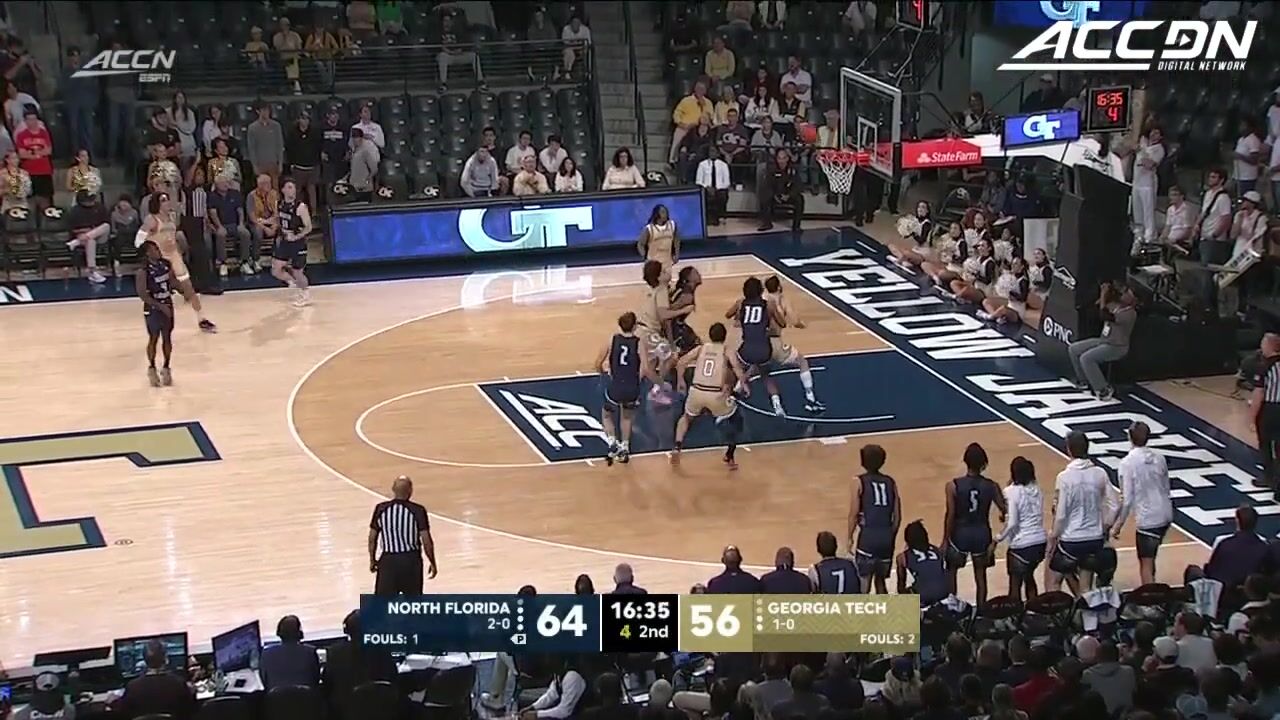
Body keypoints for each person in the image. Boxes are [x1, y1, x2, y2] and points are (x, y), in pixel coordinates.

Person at [136, 192, 217, 333]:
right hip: (161, 259)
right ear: (157, 203)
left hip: (174, 256)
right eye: (163, 200)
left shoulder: (172, 217)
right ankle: (158, 322)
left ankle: (202, 319)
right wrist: (150, 250)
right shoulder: (151, 219)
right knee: (163, 292)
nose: (167, 202)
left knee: (189, 288)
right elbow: (138, 241)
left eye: (167, 199)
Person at [672, 322, 747, 469]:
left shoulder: (701, 348)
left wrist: (681, 381)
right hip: (715, 394)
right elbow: (737, 368)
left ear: (710, 336)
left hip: (696, 390)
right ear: (724, 337)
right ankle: (729, 456)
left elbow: (681, 362)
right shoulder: (726, 350)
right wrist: (744, 384)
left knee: (686, 418)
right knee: (736, 419)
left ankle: (677, 446)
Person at [1047, 432, 1110, 596]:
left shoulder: (1064, 477)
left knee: (1053, 581)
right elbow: (1115, 505)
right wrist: (1105, 527)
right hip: (1094, 539)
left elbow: (1061, 514)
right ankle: (1087, 611)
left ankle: (1057, 610)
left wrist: (1053, 536)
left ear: (1069, 449)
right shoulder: (1100, 473)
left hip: (1071, 541)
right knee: (1086, 587)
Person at [944, 443, 1006, 607]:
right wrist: (1002, 516)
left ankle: (952, 608)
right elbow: (1005, 509)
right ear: (984, 463)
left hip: (960, 534)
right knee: (980, 576)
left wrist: (945, 540)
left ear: (965, 461)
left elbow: (950, 515)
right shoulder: (992, 486)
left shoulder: (953, 485)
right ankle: (981, 610)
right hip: (982, 533)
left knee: (952, 571)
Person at [1111, 421, 1172, 585]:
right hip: (1166, 514)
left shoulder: (1127, 463)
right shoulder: (1160, 458)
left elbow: (1127, 499)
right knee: (1150, 557)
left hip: (1148, 519)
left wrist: (1117, 526)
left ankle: (1151, 597)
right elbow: (1166, 487)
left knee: (1145, 564)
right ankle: (1153, 587)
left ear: (1129, 437)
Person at [595, 311, 653, 465]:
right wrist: (636, 380)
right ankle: (625, 447)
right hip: (631, 387)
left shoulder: (612, 340)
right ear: (634, 326)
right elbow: (645, 368)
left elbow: (598, 362)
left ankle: (612, 442)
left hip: (615, 386)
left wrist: (603, 373)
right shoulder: (639, 343)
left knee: (606, 414)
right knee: (626, 417)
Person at [725, 276, 787, 415]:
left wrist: (739, 314)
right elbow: (783, 323)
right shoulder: (769, 305)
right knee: (766, 376)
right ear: (761, 291)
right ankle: (777, 405)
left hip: (747, 349)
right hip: (764, 349)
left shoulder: (741, 303)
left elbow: (728, 314)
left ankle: (729, 399)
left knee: (733, 368)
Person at [321, 609, 398, 720]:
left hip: (345, 713)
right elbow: (393, 678)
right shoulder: (382, 649)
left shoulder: (335, 652)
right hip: (379, 711)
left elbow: (327, 683)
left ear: (347, 630)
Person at [762, 275, 824, 412]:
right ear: (779, 287)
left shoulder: (761, 299)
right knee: (802, 361)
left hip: (760, 343)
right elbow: (795, 321)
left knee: (763, 373)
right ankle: (810, 399)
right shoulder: (782, 300)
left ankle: (776, 403)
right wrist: (803, 324)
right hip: (776, 343)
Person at [1067, 282, 1136, 400]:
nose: (1123, 295)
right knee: (1073, 349)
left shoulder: (1130, 314)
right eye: (1124, 292)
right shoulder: (1115, 305)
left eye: (1127, 293)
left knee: (1086, 358)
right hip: (1103, 340)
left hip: (1116, 346)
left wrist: (1104, 295)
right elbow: (1097, 308)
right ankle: (1084, 381)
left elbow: (1105, 316)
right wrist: (1102, 296)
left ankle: (1103, 389)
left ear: (1133, 299)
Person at [369, 475, 437, 594]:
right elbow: (427, 541)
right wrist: (432, 562)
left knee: (383, 603)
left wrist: (372, 560)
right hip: (411, 561)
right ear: (410, 490)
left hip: (388, 561)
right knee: (412, 603)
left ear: (393, 489)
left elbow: (372, 538)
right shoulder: (418, 510)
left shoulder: (381, 509)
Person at [992, 456, 1046, 603]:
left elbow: (1012, 523)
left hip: (1021, 546)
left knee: (1015, 588)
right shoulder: (1037, 490)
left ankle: (1014, 614)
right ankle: (1035, 611)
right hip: (1040, 544)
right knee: (1029, 577)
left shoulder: (1010, 491)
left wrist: (997, 538)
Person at [847, 443, 900, 593]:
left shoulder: (858, 481)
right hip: (886, 537)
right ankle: (885, 609)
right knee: (881, 582)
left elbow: (853, 514)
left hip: (868, 538)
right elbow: (897, 516)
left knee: (864, 582)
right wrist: (890, 534)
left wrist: (849, 537)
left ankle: (864, 609)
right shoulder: (891, 482)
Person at [636, 260, 691, 381]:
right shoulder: (662, 290)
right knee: (671, 357)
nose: (667, 272)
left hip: (641, 330)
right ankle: (658, 387)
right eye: (664, 271)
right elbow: (664, 316)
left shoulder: (654, 289)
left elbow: (665, 320)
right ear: (659, 277)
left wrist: (670, 342)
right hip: (649, 332)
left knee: (650, 363)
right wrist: (684, 310)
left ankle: (634, 388)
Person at [114, 639, 196, 719]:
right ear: (166, 659)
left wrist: (114, 701)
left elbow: (123, 713)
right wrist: (192, 692)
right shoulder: (179, 683)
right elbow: (190, 711)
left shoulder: (132, 687)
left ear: (145, 660)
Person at [134, 239, 176, 387]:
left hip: (167, 302)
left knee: (167, 337)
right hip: (152, 307)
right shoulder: (143, 271)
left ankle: (166, 367)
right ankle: (152, 367)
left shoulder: (166, 264)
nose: (158, 251)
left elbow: (172, 282)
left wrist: (185, 291)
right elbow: (143, 295)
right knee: (153, 337)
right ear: (147, 253)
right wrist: (159, 306)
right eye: (155, 249)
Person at [1203, 505, 1268, 587]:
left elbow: (1211, 569)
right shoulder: (1264, 546)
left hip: (1222, 588)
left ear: (1237, 521)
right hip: (1248, 588)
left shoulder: (1223, 542)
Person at [271, 178, 312, 307]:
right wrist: (267, 222)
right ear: (282, 190)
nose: (291, 190)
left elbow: (308, 227)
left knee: (297, 271)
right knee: (276, 270)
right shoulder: (279, 204)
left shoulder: (300, 207)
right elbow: (277, 218)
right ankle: (293, 284)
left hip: (298, 243)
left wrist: (296, 236)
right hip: (284, 241)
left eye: (293, 187)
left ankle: (305, 293)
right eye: (288, 187)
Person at [259, 615, 320, 691]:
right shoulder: (310, 652)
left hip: (276, 698)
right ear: (299, 633)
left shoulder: (266, 654)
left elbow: (264, 681)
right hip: (306, 698)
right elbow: (316, 679)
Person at [895, 520, 948, 606]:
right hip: (944, 593)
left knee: (904, 596)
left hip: (925, 596)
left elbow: (901, 587)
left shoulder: (902, 557)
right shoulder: (937, 550)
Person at [1254, 334, 1280, 494]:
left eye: (1263, 343)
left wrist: (1252, 416)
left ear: (1270, 346)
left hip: (1270, 409)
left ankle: (1269, 477)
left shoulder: (1264, 367)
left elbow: (1259, 394)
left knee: (1265, 443)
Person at [1131, 125, 1165, 245]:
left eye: (1157, 133)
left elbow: (1149, 164)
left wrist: (1142, 151)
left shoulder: (1159, 149)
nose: (1154, 135)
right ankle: (1138, 235)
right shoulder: (1143, 144)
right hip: (1137, 182)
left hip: (1148, 184)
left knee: (1148, 212)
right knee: (1137, 211)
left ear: (1160, 136)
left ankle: (1150, 236)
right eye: (1153, 132)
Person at [67, 190, 110, 284]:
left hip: (100, 236)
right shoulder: (75, 211)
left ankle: (76, 242)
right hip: (83, 237)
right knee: (90, 240)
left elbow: (106, 223)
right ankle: (92, 272)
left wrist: (92, 231)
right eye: (88, 201)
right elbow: (72, 229)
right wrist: (85, 231)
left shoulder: (100, 207)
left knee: (106, 226)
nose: (91, 202)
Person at [758, 148, 804, 231]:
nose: (781, 161)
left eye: (783, 158)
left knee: (800, 199)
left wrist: (789, 195)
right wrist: (775, 195)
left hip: (788, 195)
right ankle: (767, 223)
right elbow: (767, 185)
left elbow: (798, 185)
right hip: (775, 196)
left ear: (787, 159)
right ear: (776, 159)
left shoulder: (793, 170)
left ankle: (796, 226)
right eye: (779, 158)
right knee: (765, 196)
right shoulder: (771, 169)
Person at [1194, 167, 1233, 264]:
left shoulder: (1224, 198)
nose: (1210, 179)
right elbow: (1203, 212)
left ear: (1221, 180)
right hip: (1204, 236)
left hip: (1215, 239)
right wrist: (1197, 225)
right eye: (1210, 177)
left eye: (1214, 177)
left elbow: (1226, 218)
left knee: (1209, 264)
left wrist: (1215, 234)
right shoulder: (1208, 194)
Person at [637, 204, 678, 273]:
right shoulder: (649, 229)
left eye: (666, 212)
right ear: (657, 214)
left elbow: (676, 240)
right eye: (663, 212)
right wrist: (645, 257)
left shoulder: (672, 225)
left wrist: (676, 254)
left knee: (666, 278)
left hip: (667, 262)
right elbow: (640, 244)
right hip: (653, 263)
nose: (666, 214)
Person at [696, 145, 730, 225]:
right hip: (706, 189)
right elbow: (698, 181)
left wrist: (717, 188)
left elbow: (727, 182)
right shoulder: (702, 164)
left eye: (714, 151)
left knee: (722, 195)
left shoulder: (723, 165)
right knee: (706, 195)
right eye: (710, 151)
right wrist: (707, 187)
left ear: (718, 153)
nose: (712, 153)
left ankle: (720, 216)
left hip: (719, 189)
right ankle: (708, 218)